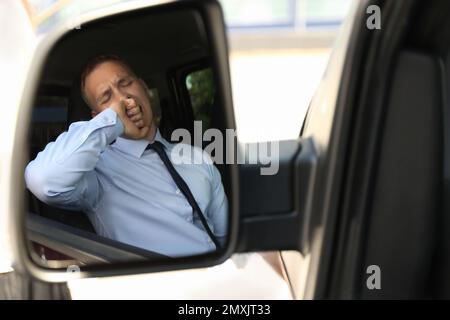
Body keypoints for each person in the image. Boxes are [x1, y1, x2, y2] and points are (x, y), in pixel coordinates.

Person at [25, 55, 228, 258]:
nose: (123, 98)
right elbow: (43, 180)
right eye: (106, 97)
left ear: (143, 86)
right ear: (98, 116)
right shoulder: (97, 175)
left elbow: (225, 236)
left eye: (125, 83)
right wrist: (113, 120)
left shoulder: (197, 157)